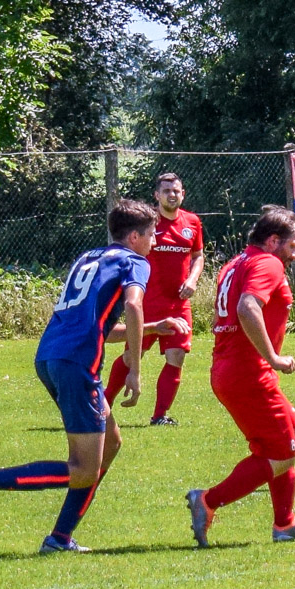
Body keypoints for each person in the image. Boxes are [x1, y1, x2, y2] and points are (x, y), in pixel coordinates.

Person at [0, 199, 188, 553]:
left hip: (51, 356)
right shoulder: (134, 262)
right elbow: (133, 304)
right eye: (151, 234)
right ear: (133, 237)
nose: (155, 240)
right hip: (77, 364)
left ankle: (60, 539)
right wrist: (134, 368)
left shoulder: (90, 258)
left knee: (111, 443)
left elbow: (99, 326)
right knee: (83, 469)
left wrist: (153, 327)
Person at [186, 206, 295, 547]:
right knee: (281, 453)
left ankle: (285, 523)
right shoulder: (268, 262)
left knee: (293, 434)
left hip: (230, 369)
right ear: (273, 240)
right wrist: (273, 357)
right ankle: (207, 500)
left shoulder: (236, 262)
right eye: (292, 246)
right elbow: (247, 307)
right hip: (248, 374)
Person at [104, 172, 205, 425]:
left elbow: (198, 256)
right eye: (167, 191)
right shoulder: (147, 223)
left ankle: (160, 416)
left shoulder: (192, 222)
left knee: (177, 356)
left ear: (183, 194)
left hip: (178, 304)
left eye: (176, 190)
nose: (172, 195)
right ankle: (103, 405)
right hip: (146, 303)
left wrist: (192, 280)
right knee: (131, 357)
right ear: (157, 195)